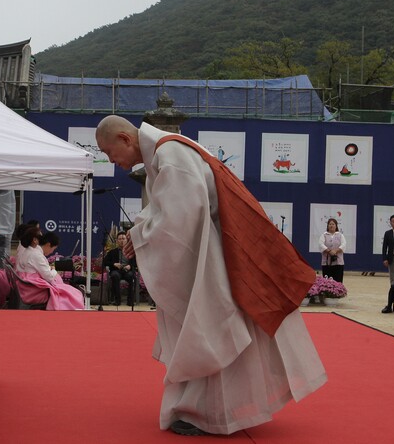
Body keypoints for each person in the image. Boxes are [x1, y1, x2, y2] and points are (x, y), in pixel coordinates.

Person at [95, 115, 326, 436]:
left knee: (208, 332)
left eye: (109, 153)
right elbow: (170, 211)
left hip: (211, 259)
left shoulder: (169, 156)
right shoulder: (167, 154)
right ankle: (207, 410)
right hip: (208, 253)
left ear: (124, 139)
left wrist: (138, 237)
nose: (112, 162)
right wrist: (141, 232)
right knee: (211, 332)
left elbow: (182, 217)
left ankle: (208, 413)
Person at [14, 229, 84, 311]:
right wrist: (54, 270)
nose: (42, 237)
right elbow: (49, 277)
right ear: (34, 240)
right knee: (74, 294)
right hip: (34, 291)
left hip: (29, 288)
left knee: (71, 292)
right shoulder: (35, 254)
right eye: (40, 235)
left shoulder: (28, 251)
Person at [102, 231, 138, 305]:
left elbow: (137, 262)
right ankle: (117, 300)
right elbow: (104, 262)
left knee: (132, 276)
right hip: (116, 270)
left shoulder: (131, 251)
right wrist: (114, 264)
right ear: (117, 241)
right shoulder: (112, 252)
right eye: (120, 239)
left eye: (123, 238)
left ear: (127, 240)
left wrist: (130, 266)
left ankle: (130, 301)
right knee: (115, 276)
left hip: (127, 271)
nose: (122, 241)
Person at [318, 218, 345, 283]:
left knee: (338, 281)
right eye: (330, 224)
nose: (331, 226)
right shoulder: (324, 235)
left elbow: (343, 244)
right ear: (327, 226)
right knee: (327, 281)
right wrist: (329, 251)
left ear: (336, 226)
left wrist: (335, 251)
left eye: (333, 224)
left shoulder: (340, 235)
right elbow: (321, 244)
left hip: (338, 262)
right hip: (327, 263)